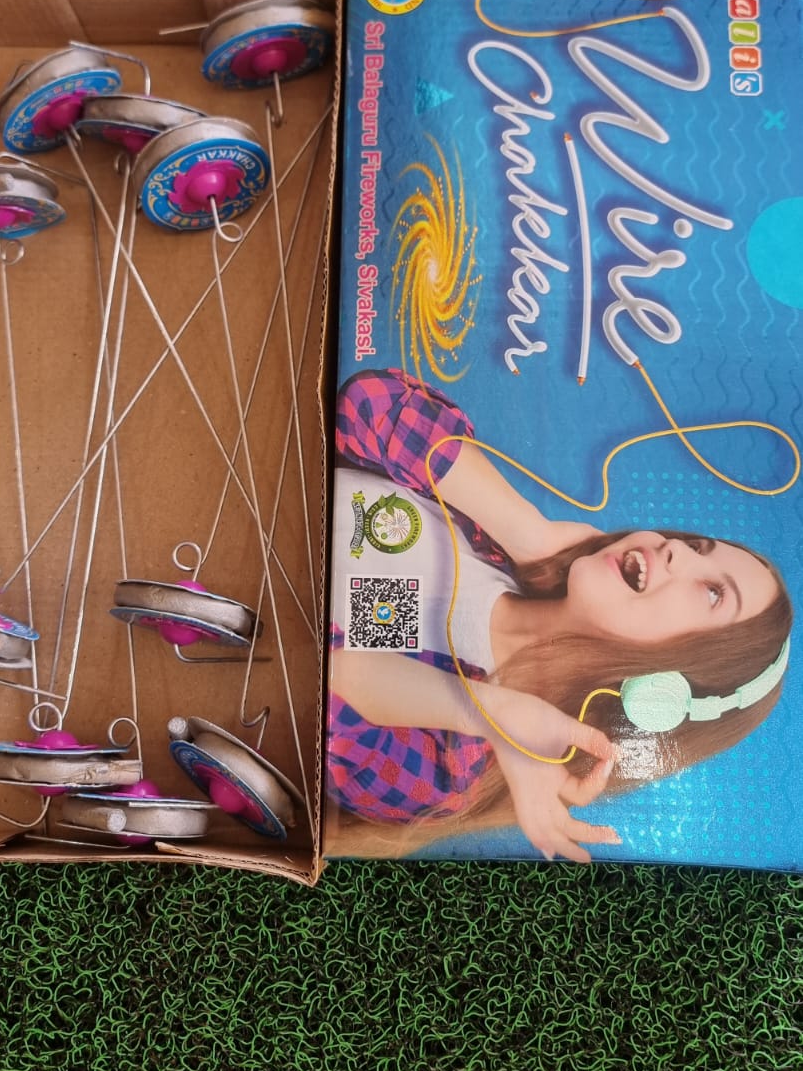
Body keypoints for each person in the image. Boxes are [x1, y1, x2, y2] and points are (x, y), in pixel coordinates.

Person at [326, 368, 792, 861]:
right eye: (699, 546)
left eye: (714, 594)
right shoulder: (486, 546)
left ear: (662, 693)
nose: (676, 548)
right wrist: (529, 530)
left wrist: (487, 712)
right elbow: (366, 405)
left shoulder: (456, 767)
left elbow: (309, 681)